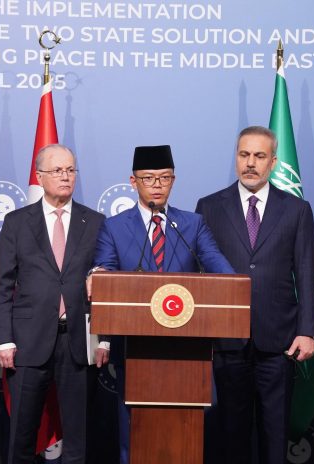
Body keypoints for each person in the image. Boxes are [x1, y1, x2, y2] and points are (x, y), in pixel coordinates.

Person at [90, 144, 234, 464]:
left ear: (174, 180)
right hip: (135, 351)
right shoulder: (114, 227)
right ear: (133, 181)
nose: (157, 185)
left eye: (164, 178)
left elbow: (221, 269)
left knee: (185, 436)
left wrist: (233, 285)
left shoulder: (192, 225)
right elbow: (104, 272)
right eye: (149, 178)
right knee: (134, 434)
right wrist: (98, 275)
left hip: (187, 352)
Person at [195, 126, 314, 463]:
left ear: (273, 162)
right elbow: (197, 275)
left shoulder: (296, 210)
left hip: (279, 343)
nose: (250, 163)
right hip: (226, 340)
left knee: (274, 435)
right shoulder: (209, 207)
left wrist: (308, 331)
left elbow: (306, 273)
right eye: (244, 154)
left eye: (259, 156)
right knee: (230, 436)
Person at [0, 144, 106, 464]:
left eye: (70, 170)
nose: (66, 176)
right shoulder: (16, 222)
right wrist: (3, 340)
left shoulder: (95, 221)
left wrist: (104, 338)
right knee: (22, 435)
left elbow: (107, 285)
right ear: (39, 177)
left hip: (79, 341)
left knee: (78, 437)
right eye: (57, 170)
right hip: (28, 341)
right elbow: (3, 286)